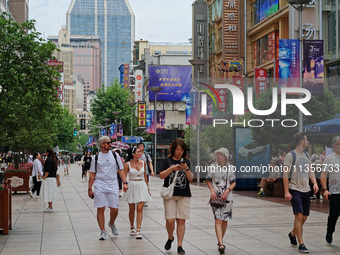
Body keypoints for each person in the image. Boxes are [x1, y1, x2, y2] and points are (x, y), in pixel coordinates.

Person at [283, 132, 318, 253]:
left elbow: (310, 170)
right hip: (294, 188)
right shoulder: (290, 155)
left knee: (304, 217)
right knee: (298, 215)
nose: (308, 142)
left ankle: (292, 233)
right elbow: (285, 174)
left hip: (306, 189)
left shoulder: (307, 155)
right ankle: (301, 243)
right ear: (302, 141)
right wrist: (287, 191)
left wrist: (314, 182)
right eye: (306, 140)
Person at [88, 136, 128, 241]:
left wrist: (124, 182)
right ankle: (102, 231)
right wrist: (89, 188)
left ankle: (111, 223)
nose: (110, 144)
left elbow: (121, 170)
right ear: (102, 144)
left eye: (110, 142)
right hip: (100, 185)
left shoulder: (115, 155)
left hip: (113, 184)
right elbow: (92, 174)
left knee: (114, 208)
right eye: (108, 143)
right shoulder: (96, 158)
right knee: (100, 208)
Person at [159, 139, 194, 255]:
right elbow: (161, 175)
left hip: (184, 194)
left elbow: (190, 178)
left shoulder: (187, 161)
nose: (179, 152)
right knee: (170, 220)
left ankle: (180, 245)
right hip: (170, 195)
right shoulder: (166, 160)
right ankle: (170, 237)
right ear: (173, 149)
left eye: (182, 150)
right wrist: (172, 169)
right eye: (178, 149)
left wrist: (186, 169)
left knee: (181, 220)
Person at [206, 148, 236, 254]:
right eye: (217, 154)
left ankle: (220, 240)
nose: (219, 156)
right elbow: (208, 180)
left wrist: (227, 191)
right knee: (218, 219)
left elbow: (233, 182)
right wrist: (212, 191)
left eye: (221, 154)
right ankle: (221, 243)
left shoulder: (231, 168)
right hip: (216, 197)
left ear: (226, 156)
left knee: (225, 220)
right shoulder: (212, 167)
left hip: (227, 197)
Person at [122, 147, 151, 239]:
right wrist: (125, 184)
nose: (140, 153)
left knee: (139, 208)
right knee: (131, 208)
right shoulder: (127, 164)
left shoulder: (143, 163)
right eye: (138, 152)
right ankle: (132, 226)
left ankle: (138, 230)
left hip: (141, 185)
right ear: (133, 154)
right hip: (132, 185)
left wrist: (147, 187)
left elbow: (145, 176)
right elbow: (124, 175)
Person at [321, 136, 340, 244]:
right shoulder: (330, 158)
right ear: (334, 145)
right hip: (334, 192)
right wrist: (325, 189)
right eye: (339, 144)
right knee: (333, 215)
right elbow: (324, 174)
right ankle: (329, 232)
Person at [41, 148, 58, 212]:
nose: (45, 153)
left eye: (46, 152)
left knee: (48, 192)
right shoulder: (54, 159)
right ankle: (50, 206)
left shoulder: (48, 160)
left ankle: (50, 207)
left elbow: (47, 171)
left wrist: (43, 178)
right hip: (53, 178)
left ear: (48, 153)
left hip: (48, 179)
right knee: (51, 192)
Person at [137, 142, 154, 207]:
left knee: (145, 186)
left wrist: (152, 171)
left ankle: (144, 200)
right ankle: (138, 199)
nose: (140, 147)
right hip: (138, 174)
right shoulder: (136, 155)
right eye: (139, 146)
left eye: (142, 146)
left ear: (144, 147)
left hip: (145, 173)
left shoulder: (146, 155)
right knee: (138, 187)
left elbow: (150, 163)